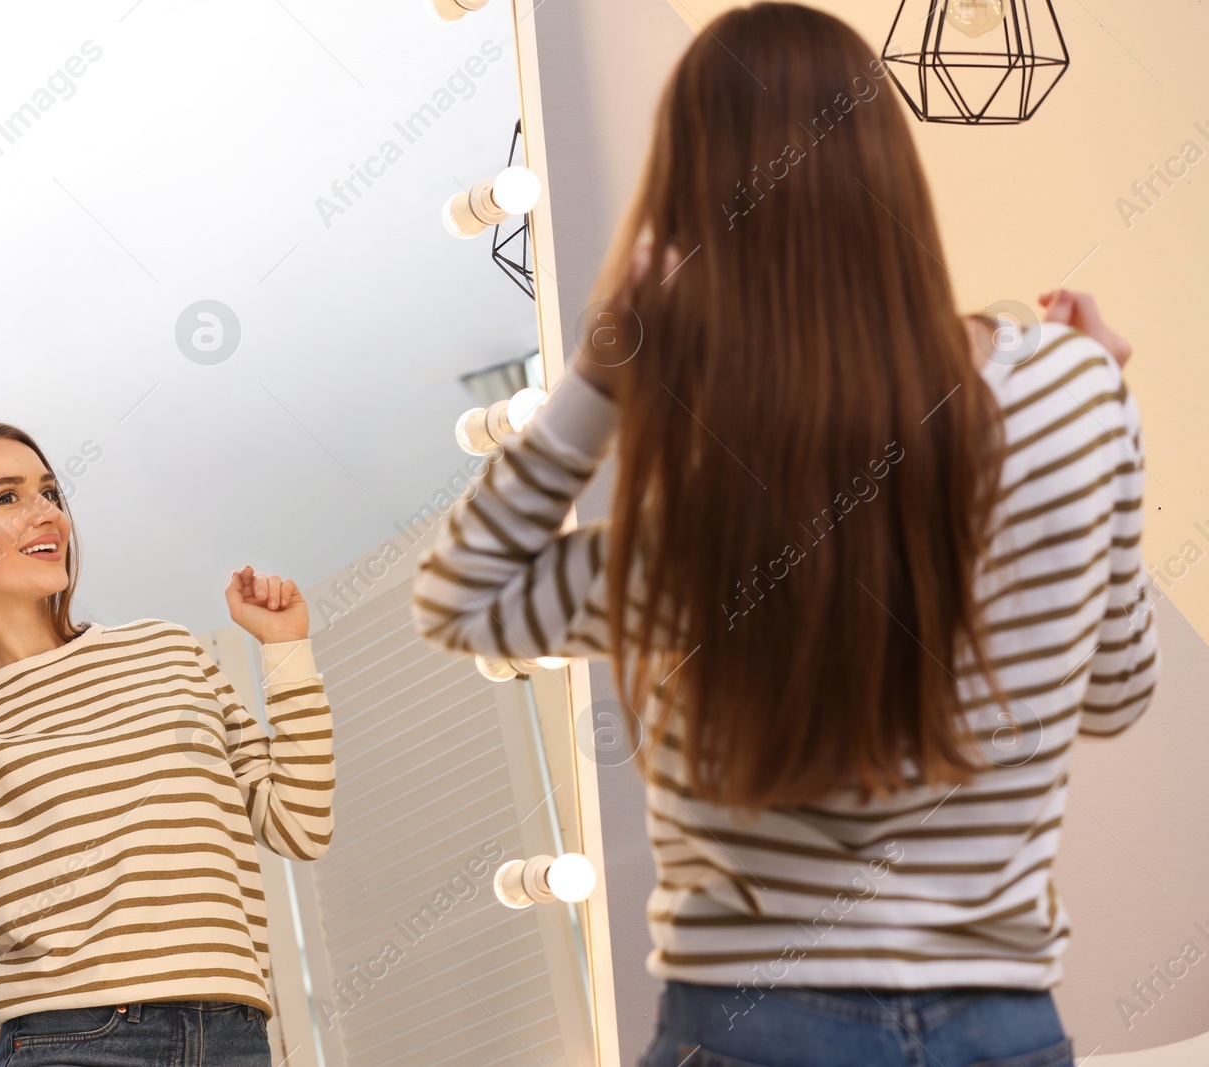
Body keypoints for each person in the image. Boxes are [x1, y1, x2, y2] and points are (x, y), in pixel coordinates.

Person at [408, 5, 1155, 1066]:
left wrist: (603, 373)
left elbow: (463, 595)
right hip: (1001, 1025)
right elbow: (1117, 694)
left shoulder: (707, 527)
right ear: (894, 175)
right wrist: (1102, 437)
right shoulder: (1076, 395)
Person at [0, 421, 334, 1067]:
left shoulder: (166, 652)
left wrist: (287, 648)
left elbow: (299, 822)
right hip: (70, 1037)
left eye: (49, 493)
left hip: (231, 1033)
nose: (47, 515)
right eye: (8, 497)